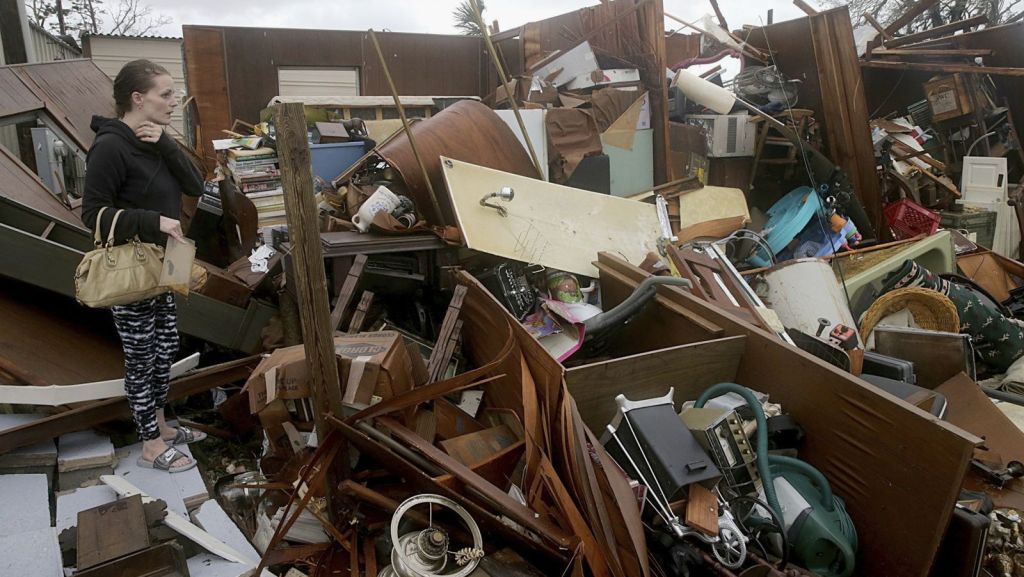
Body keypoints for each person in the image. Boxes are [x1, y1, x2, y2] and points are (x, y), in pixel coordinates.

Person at [82, 59, 207, 473]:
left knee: (165, 348)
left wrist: (166, 143)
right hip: (133, 268)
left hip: (164, 265)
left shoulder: (153, 140)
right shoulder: (110, 146)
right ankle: (151, 444)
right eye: (166, 94)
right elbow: (92, 215)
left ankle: (161, 425)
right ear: (138, 98)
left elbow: (196, 185)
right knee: (141, 357)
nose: (174, 102)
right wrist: (153, 221)